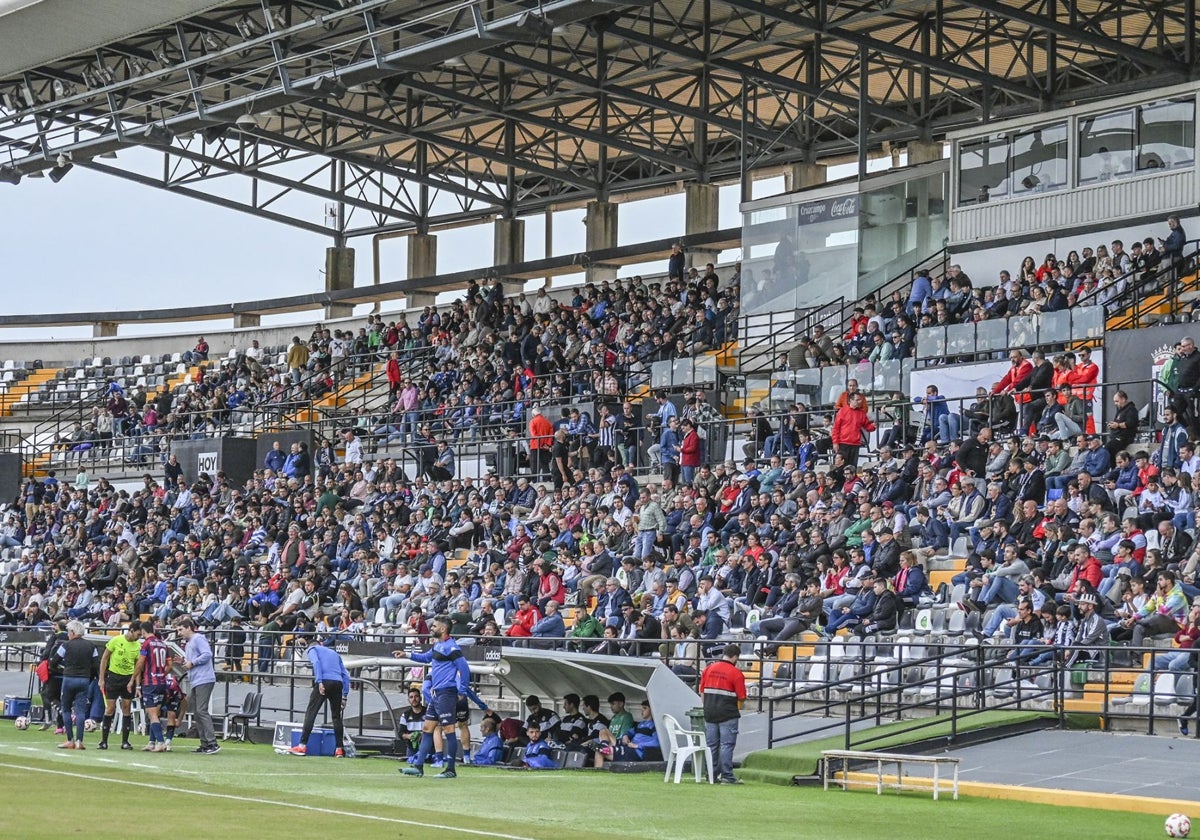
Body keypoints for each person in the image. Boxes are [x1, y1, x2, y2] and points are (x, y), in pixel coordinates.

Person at [396, 614, 471, 778]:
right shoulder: (438, 645)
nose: (432, 628)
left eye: (435, 626)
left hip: (446, 693)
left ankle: (450, 769)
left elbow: (464, 669)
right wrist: (407, 655)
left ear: (443, 629)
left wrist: (462, 691)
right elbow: (425, 658)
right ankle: (418, 766)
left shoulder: (452, 648)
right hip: (437, 694)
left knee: (448, 730)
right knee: (427, 728)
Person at [289, 635, 351, 757]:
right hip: (338, 683)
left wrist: (319, 681)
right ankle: (339, 749)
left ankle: (302, 746)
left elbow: (316, 662)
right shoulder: (334, 653)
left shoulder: (313, 650)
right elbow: (346, 675)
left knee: (311, 712)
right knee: (336, 717)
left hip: (324, 681)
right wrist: (345, 695)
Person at [699, 642, 746, 784]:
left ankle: (711, 776)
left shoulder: (709, 669)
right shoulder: (736, 673)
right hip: (728, 713)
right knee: (727, 745)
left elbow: (701, 691)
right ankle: (727, 775)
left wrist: (706, 706)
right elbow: (742, 696)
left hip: (710, 711)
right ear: (736, 657)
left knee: (711, 745)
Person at [50, 620, 99, 750]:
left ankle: (70, 740)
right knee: (80, 710)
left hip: (69, 678)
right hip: (83, 680)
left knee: (66, 708)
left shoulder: (66, 645)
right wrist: (90, 677)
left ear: (72, 632)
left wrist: (62, 670)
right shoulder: (91, 646)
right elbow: (95, 666)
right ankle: (79, 741)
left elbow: (53, 662)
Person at [177, 616, 221, 754]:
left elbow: (207, 654)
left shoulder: (198, 638)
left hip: (204, 679)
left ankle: (212, 743)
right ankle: (205, 743)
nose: (179, 633)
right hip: (197, 680)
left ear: (189, 628)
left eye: (180, 630)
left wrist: (192, 662)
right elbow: (195, 659)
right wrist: (184, 661)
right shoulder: (190, 642)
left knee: (201, 710)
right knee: (197, 712)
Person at [97, 620, 142, 750]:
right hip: (113, 676)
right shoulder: (116, 640)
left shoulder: (137, 646)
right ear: (131, 630)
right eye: (138, 634)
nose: (139, 637)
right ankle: (103, 741)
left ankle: (125, 741)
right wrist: (102, 678)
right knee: (110, 708)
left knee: (126, 708)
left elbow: (137, 667)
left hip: (128, 679)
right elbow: (104, 658)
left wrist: (137, 684)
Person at [133, 620, 171, 752]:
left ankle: (160, 743)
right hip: (162, 682)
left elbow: (140, 663)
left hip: (150, 682)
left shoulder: (146, 644)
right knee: (156, 713)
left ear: (143, 631)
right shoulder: (163, 644)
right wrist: (161, 673)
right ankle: (151, 742)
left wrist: (133, 679)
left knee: (152, 713)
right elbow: (170, 665)